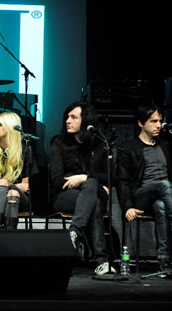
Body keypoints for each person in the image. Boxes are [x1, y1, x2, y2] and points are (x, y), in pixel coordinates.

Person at [116, 104, 172, 277]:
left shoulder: (165, 145)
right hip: (140, 196)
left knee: (161, 206)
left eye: (160, 121)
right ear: (141, 123)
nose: (158, 125)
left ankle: (164, 262)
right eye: (153, 121)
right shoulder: (128, 148)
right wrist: (127, 207)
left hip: (163, 196)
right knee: (164, 185)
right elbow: (122, 182)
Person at [49, 102, 114, 275]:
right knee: (94, 205)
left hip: (91, 192)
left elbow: (110, 176)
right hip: (64, 195)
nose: (67, 121)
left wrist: (84, 178)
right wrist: (89, 182)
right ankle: (102, 260)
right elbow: (56, 179)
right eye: (67, 117)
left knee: (91, 185)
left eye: (73, 117)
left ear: (86, 121)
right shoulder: (59, 142)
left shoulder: (100, 144)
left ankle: (75, 231)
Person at [0, 112, 38, 229]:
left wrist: (6, 185)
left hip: (21, 200)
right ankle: (9, 231)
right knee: (12, 192)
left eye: (0, 124)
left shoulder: (25, 151)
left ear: (10, 127)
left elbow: (26, 187)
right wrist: (13, 186)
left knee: (8, 188)